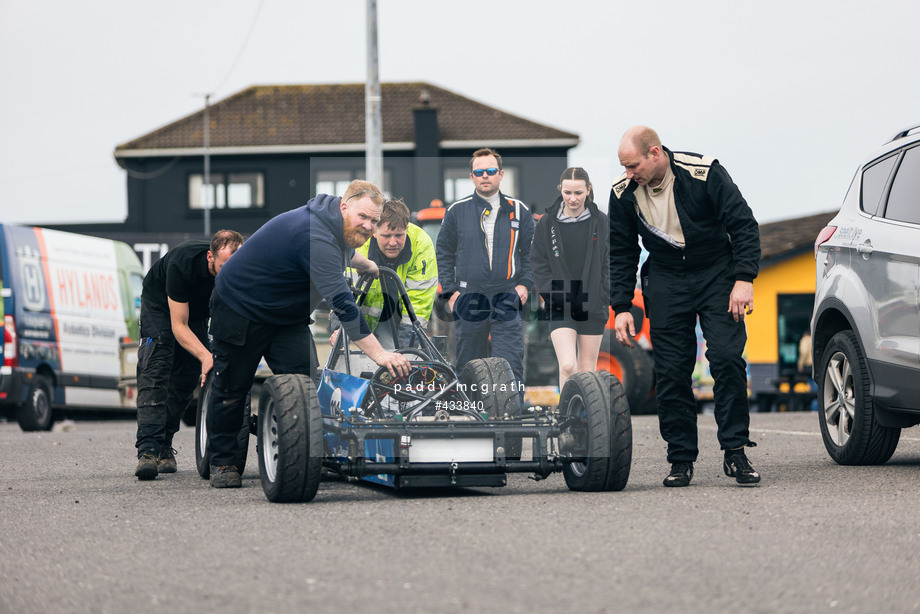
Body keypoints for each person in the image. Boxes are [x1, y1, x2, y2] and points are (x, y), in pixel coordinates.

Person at [205, 180, 411, 488]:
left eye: (373, 220)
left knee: (304, 387)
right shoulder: (314, 235)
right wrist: (380, 354)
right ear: (345, 207)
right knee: (232, 390)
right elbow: (343, 305)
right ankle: (223, 462)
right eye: (363, 217)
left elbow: (344, 250)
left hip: (285, 316)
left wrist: (367, 264)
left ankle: (302, 456)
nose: (368, 226)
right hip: (240, 306)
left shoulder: (334, 225)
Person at [609, 126, 762, 487]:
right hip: (665, 277)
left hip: (716, 273)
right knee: (673, 371)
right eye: (625, 167)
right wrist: (622, 307)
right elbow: (622, 251)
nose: (629, 174)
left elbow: (742, 224)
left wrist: (744, 279)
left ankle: (736, 452)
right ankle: (680, 459)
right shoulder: (622, 193)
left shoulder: (704, 172)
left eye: (633, 166)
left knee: (725, 357)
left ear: (655, 153)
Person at [134, 229, 244, 480]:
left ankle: (164, 444)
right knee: (157, 367)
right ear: (210, 257)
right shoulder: (182, 263)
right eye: (224, 265)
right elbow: (178, 325)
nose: (229, 272)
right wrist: (206, 355)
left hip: (195, 312)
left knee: (189, 376)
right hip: (161, 305)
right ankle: (148, 452)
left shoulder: (242, 266)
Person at [436, 148, 534, 401]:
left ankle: (512, 426)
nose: (485, 176)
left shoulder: (519, 210)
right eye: (479, 172)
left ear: (500, 174)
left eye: (491, 171)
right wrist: (451, 292)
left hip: (507, 295)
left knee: (510, 362)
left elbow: (532, 253)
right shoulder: (456, 211)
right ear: (471, 177)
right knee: (468, 362)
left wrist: (524, 285)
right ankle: (469, 421)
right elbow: (444, 252)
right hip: (469, 297)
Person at [531, 167, 609, 391]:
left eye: (578, 193)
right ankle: (566, 420)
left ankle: (585, 421)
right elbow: (538, 262)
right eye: (567, 193)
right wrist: (551, 294)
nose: (572, 198)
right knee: (567, 365)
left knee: (587, 371)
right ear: (561, 190)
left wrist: (603, 293)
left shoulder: (601, 222)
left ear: (588, 190)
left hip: (593, 303)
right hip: (560, 303)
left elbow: (609, 261)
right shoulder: (546, 223)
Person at [331, 197, 438, 348]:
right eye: (386, 236)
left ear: (407, 228)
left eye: (399, 235)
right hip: (365, 317)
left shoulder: (421, 245)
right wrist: (339, 328)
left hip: (401, 315)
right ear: (374, 231)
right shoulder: (358, 244)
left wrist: (407, 349)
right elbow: (342, 291)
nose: (393, 243)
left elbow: (419, 302)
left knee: (404, 357)